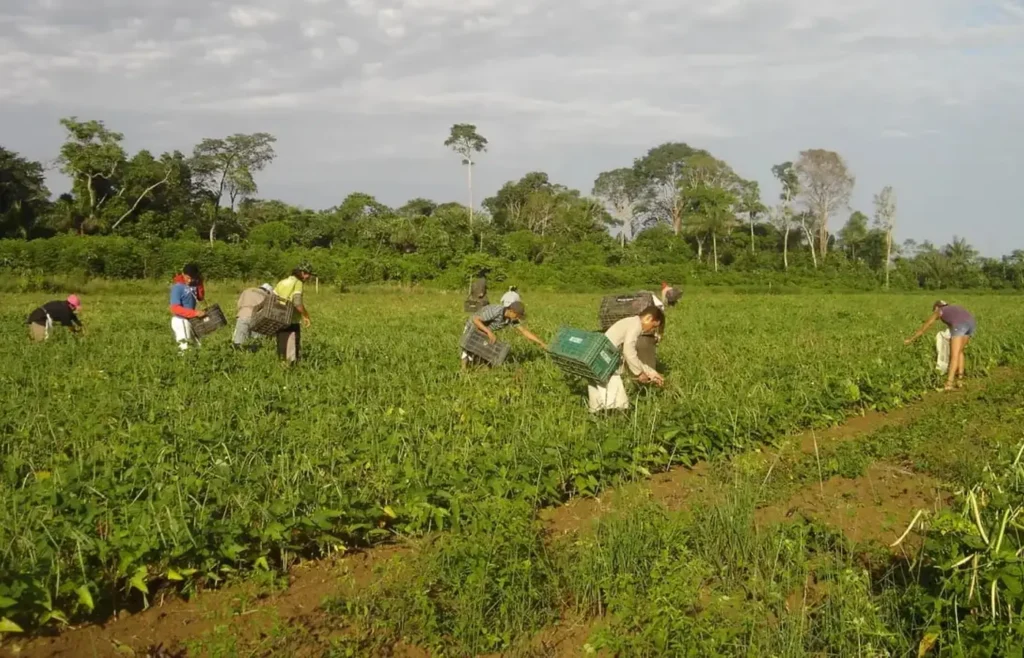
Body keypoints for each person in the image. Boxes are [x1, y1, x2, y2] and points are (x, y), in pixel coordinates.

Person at [589, 305, 665, 412]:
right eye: (653, 326)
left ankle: (598, 418)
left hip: (597, 358)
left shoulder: (630, 321)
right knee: (619, 405)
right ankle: (613, 421)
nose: (651, 330)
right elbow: (629, 351)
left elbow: (630, 356)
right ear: (648, 318)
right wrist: (639, 373)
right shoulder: (636, 325)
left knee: (597, 402)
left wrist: (652, 373)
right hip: (605, 361)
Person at [905, 300, 976, 391]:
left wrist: (911, 339)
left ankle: (949, 383)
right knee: (960, 351)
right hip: (971, 323)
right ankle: (960, 380)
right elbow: (955, 325)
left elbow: (926, 326)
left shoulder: (939, 311)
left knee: (954, 355)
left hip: (960, 325)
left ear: (937, 307)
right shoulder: (953, 308)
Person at [461, 300, 546, 368]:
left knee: (482, 350)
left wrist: (540, 342)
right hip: (472, 327)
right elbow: (476, 319)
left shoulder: (510, 319)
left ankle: (479, 368)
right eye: (517, 315)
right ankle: (463, 371)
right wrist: (489, 332)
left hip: (484, 331)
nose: (517, 318)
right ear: (511, 311)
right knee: (467, 349)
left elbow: (524, 331)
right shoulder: (496, 311)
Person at [274, 264, 313, 364]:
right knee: (293, 346)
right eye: (308, 274)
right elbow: (297, 302)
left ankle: (282, 365)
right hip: (292, 319)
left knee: (282, 345)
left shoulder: (281, 282)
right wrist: (306, 315)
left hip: (279, 317)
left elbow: (272, 298)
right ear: (303, 273)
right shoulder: (298, 283)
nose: (309, 277)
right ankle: (291, 368)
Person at [169, 264, 205, 351]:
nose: (190, 280)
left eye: (192, 278)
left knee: (198, 346)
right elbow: (175, 308)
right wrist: (194, 313)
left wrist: (200, 283)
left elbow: (200, 297)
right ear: (183, 274)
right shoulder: (177, 287)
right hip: (181, 320)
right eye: (187, 277)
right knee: (185, 348)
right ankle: (182, 364)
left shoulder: (194, 285)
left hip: (191, 320)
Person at [233, 283, 274, 350]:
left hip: (242, 315)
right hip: (256, 318)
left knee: (239, 343)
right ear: (268, 291)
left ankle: (238, 355)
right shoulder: (267, 296)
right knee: (257, 343)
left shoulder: (247, 290)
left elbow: (239, 305)